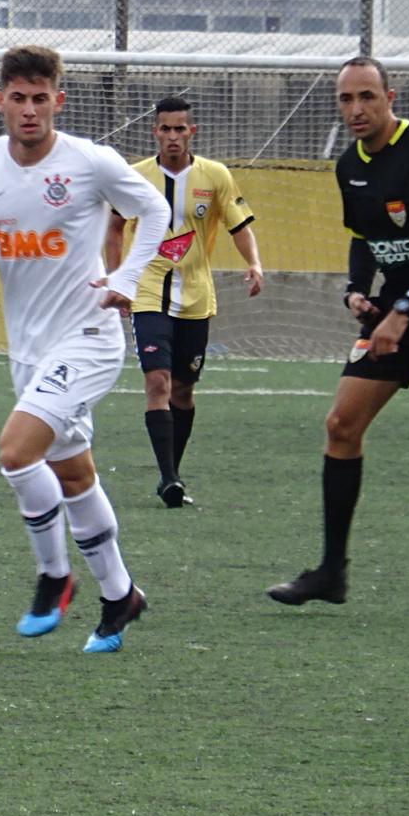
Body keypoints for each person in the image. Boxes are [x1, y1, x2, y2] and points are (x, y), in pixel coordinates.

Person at [0, 45, 169, 652]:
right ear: (0, 101)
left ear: (58, 101)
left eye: (42, 98)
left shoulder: (90, 162)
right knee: (72, 472)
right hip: (29, 352)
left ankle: (53, 577)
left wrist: (126, 278)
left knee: (15, 452)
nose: (30, 110)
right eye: (19, 98)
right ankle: (120, 595)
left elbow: (155, 207)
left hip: (89, 339)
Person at [267, 57, 409, 617]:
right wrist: (356, 289)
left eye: (366, 98)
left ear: (390, 97)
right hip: (391, 322)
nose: (356, 109)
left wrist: (405, 309)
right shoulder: (347, 165)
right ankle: (331, 572)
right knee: (341, 424)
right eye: (346, 99)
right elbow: (363, 238)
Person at [104, 96, 262, 508]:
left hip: (195, 296)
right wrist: (120, 278)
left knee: (184, 392)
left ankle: (171, 470)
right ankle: (169, 477)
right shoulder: (134, 177)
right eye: (165, 128)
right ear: (154, 131)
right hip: (148, 291)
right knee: (158, 383)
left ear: (192, 132)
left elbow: (239, 224)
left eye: (180, 128)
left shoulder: (216, 176)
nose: (172, 136)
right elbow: (115, 227)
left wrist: (254, 263)